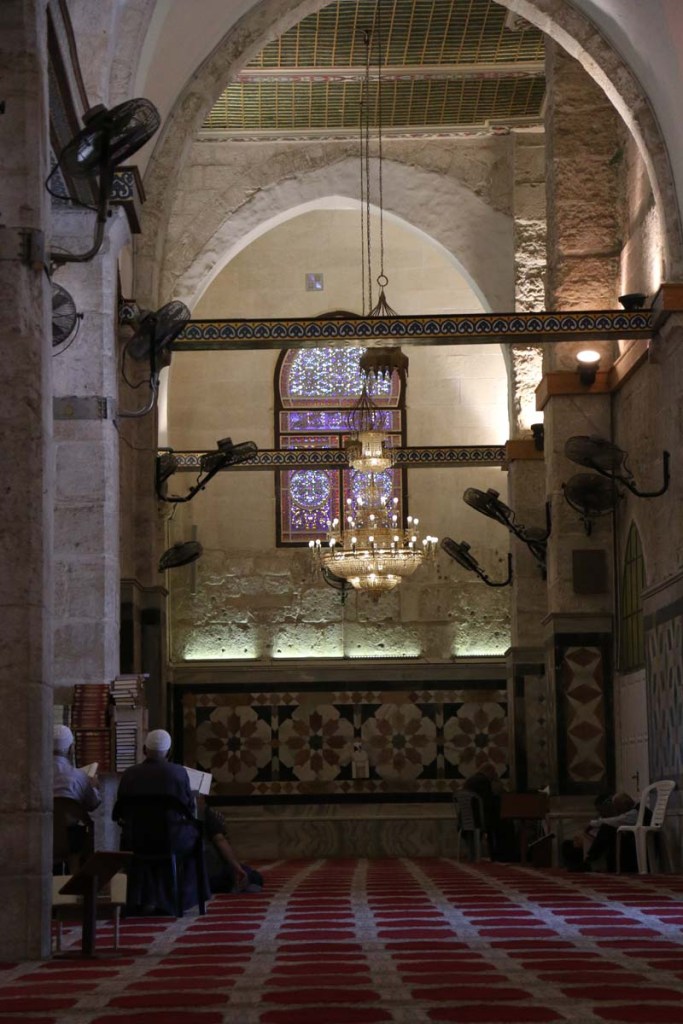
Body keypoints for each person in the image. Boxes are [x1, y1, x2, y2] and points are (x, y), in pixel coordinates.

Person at [112, 728, 208, 915]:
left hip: (136, 840)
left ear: (144, 750)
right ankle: (180, 899)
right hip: (170, 839)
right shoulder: (177, 773)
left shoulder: (130, 774)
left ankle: (142, 899)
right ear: (169, 752)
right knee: (195, 837)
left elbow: (120, 810)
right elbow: (188, 808)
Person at [197, 797, 263, 894]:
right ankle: (236, 885)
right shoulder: (201, 810)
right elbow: (220, 840)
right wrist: (237, 867)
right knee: (254, 877)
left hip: (180, 877)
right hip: (208, 874)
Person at [563, 792, 643, 872]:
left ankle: (589, 860)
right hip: (629, 840)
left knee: (607, 828)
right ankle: (589, 860)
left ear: (625, 805)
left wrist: (594, 823)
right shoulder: (632, 809)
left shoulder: (635, 812)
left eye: (619, 808)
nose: (618, 811)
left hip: (636, 844)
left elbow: (617, 820)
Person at [463, 763, 515, 860]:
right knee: (506, 823)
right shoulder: (483, 781)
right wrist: (497, 783)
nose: (495, 775)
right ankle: (502, 855)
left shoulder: (470, 781)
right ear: (489, 772)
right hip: (479, 819)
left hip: (466, 820)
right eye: (494, 773)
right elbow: (488, 802)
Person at [53, 724, 101, 812]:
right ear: (71, 749)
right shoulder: (80, 777)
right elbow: (93, 804)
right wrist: (94, 787)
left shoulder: (35, 774)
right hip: (69, 825)